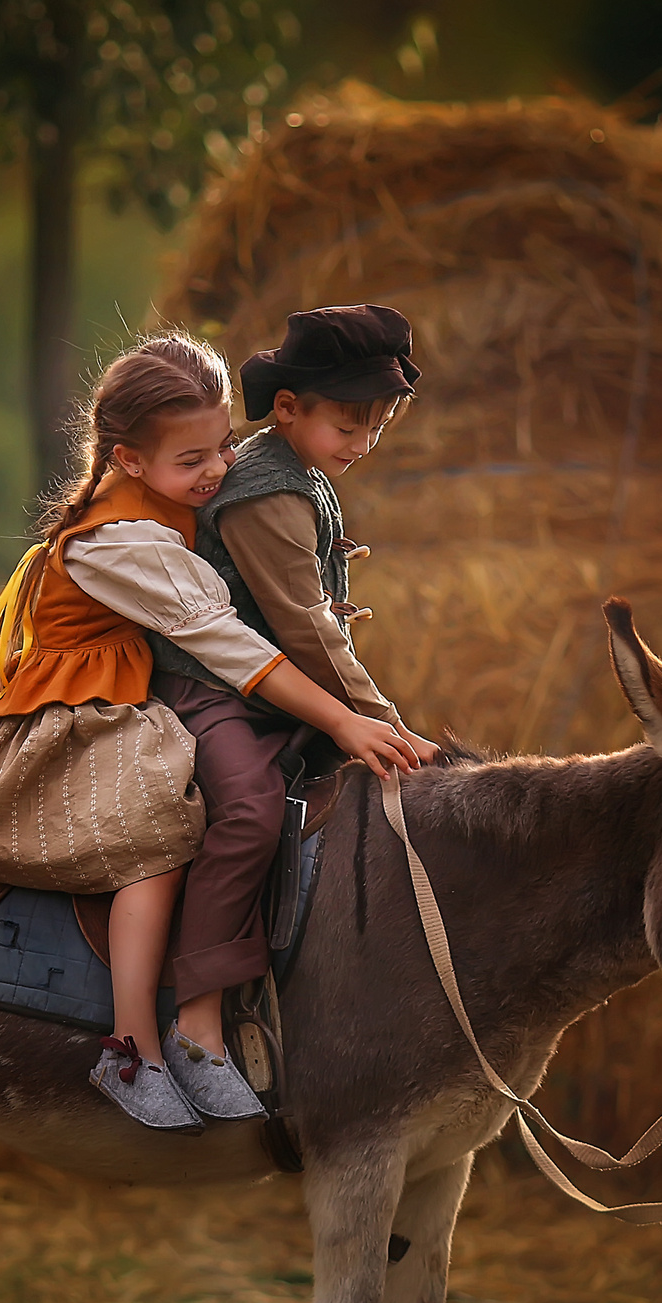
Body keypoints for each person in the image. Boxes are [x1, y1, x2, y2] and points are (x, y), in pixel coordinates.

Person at [0, 332, 419, 1132]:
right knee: (160, 834)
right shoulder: (120, 541)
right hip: (90, 704)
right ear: (129, 460)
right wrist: (347, 717)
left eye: (223, 446)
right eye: (192, 460)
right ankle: (136, 1043)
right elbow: (228, 645)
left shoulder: (190, 487)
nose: (218, 470)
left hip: (145, 679)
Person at [143, 305, 440, 1075]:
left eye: (378, 427)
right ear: (286, 408)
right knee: (250, 809)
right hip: (213, 688)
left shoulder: (306, 469)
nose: (362, 444)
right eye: (347, 426)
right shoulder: (265, 490)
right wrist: (382, 721)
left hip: (275, 693)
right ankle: (197, 1015)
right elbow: (307, 628)